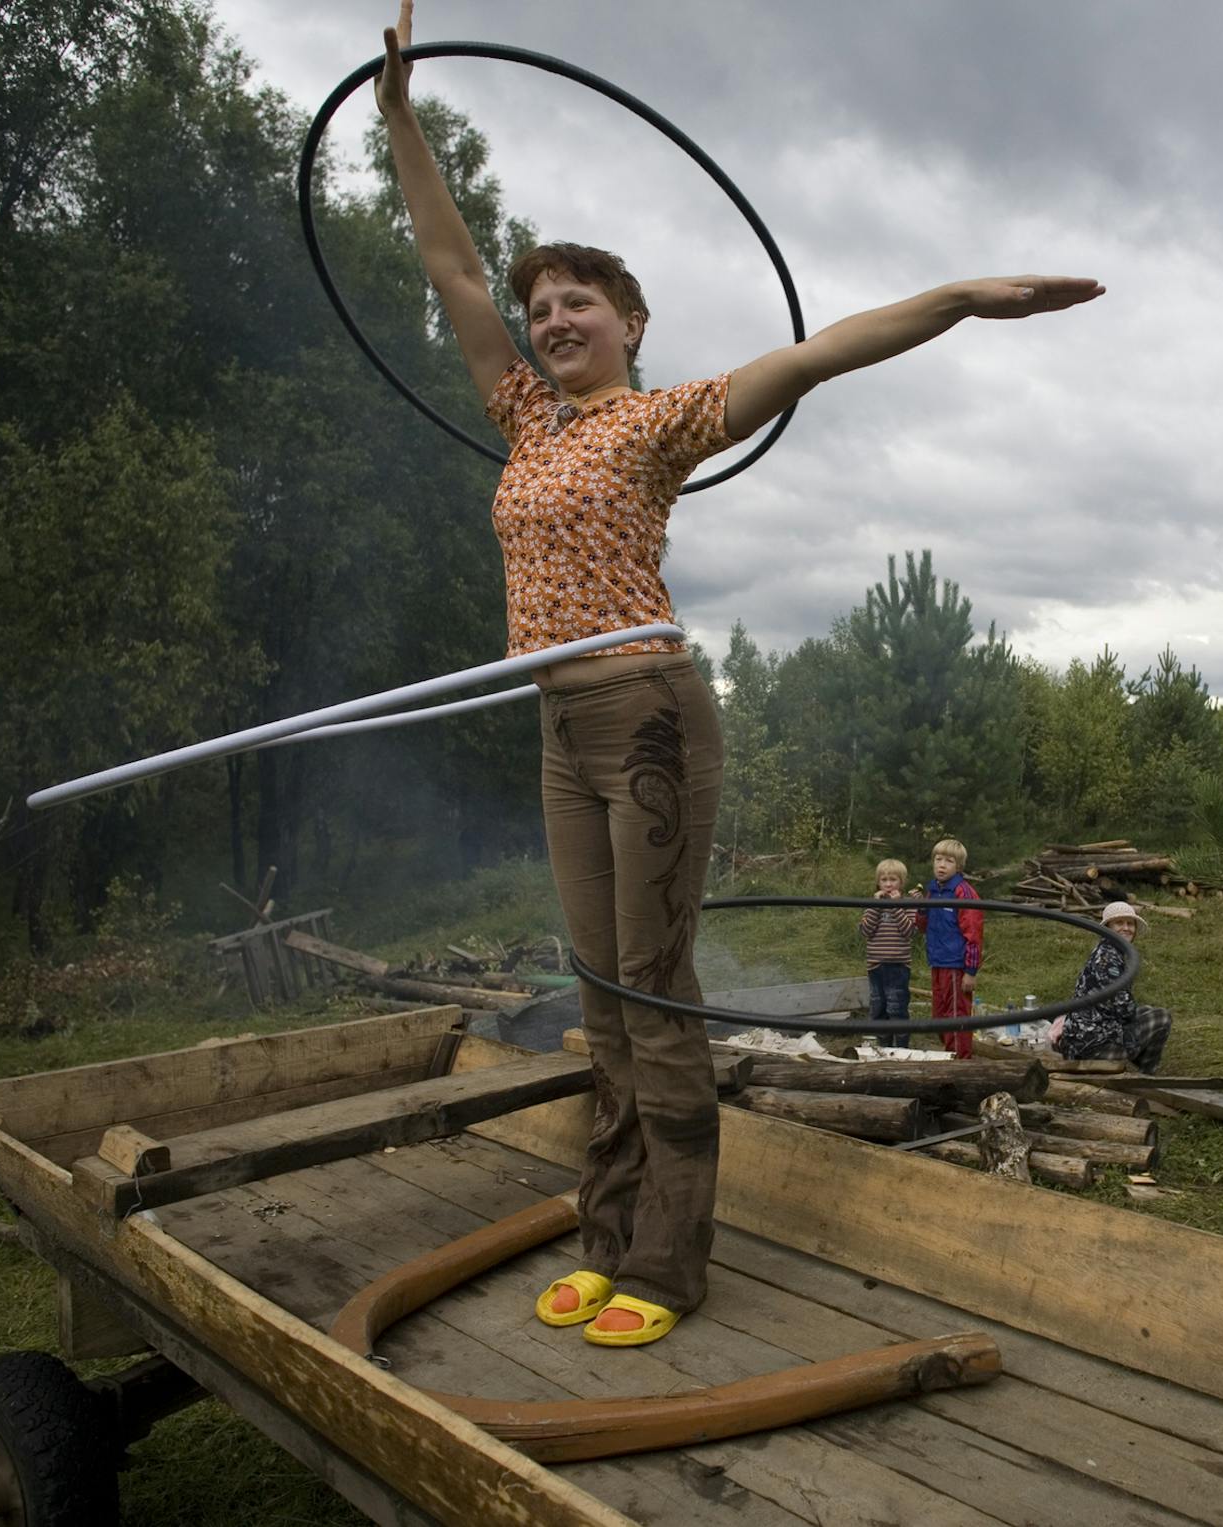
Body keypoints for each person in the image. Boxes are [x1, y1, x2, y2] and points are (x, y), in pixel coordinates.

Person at [375, 2, 1101, 1348]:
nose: (547, 321)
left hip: (645, 711)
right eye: (542, 310)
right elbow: (450, 268)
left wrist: (961, 297)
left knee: (655, 987)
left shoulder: (663, 420)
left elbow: (821, 350)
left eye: (576, 301)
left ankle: (668, 1262)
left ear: (631, 320)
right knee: (598, 991)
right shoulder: (524, 417)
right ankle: (603, 1231)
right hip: (556, 720)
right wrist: (402, 117)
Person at [1054, 901, 1170, 1073]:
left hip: (1084, 1036)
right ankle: (1146, 1075)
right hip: (1093, 1047)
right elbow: (1124, 1008)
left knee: (1146, 1011)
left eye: (1130, 923)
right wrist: (1132, 1018)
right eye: (1119, 923)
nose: (1126, 928)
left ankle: (1131, 1063)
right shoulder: (1108, 959)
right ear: (1108, 927)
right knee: (1162, 1018)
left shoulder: (1107, 950)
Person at [915, 838, 983, 1058]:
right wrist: (921, 909)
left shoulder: (963, 893)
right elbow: (922, 927)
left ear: (959, 866)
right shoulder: (932, 891)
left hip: (956, 965)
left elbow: (973, 933)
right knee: (940, 1016)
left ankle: (960, 1061)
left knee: (957, 1015)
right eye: (938, 859)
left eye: (948, 861)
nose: (941, 865)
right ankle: (949, 1054)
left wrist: (970, 971)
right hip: (937, 961)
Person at [858, 859, 917, 1028]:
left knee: (897, 1008)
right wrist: (877, 906)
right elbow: (865, 931)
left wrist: (895, 906)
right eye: (884, 880)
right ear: (878, 883)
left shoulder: (908, 905)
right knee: (878, 1008)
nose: (888, 884)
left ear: (902, 882)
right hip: (875, 965)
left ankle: (901, 1048)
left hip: (899, 965)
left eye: (893, 880)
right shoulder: (871, 905)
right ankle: (882, 1047)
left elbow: (909, 932)